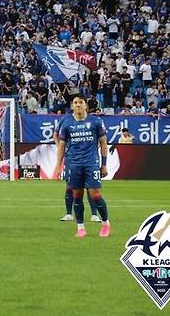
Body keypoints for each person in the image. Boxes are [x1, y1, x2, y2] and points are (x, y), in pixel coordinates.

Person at [53, 94, 110, 238]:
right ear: (72, 106)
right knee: (77, 195)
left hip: (91, 163)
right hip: (73, 164)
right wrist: (58, 165)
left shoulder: (96, 121)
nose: (78, 105)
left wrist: (104, 164)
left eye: (81, 102)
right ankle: (80, 228)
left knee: (95, 195)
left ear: (85, 105)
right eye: (75, 103)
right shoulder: (66, 123)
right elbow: (61, 145)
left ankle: (105, 224)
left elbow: (103, 143)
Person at [54, 130, 101, 224]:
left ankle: (94, 215)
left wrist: (93, 148)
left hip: (89, 161)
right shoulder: (66, 121)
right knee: (70, 187)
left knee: (90, 188)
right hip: (72, 161)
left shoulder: (92, 122)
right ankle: (69, 214)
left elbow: (101, 139)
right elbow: (56, 134)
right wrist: (60, 146)